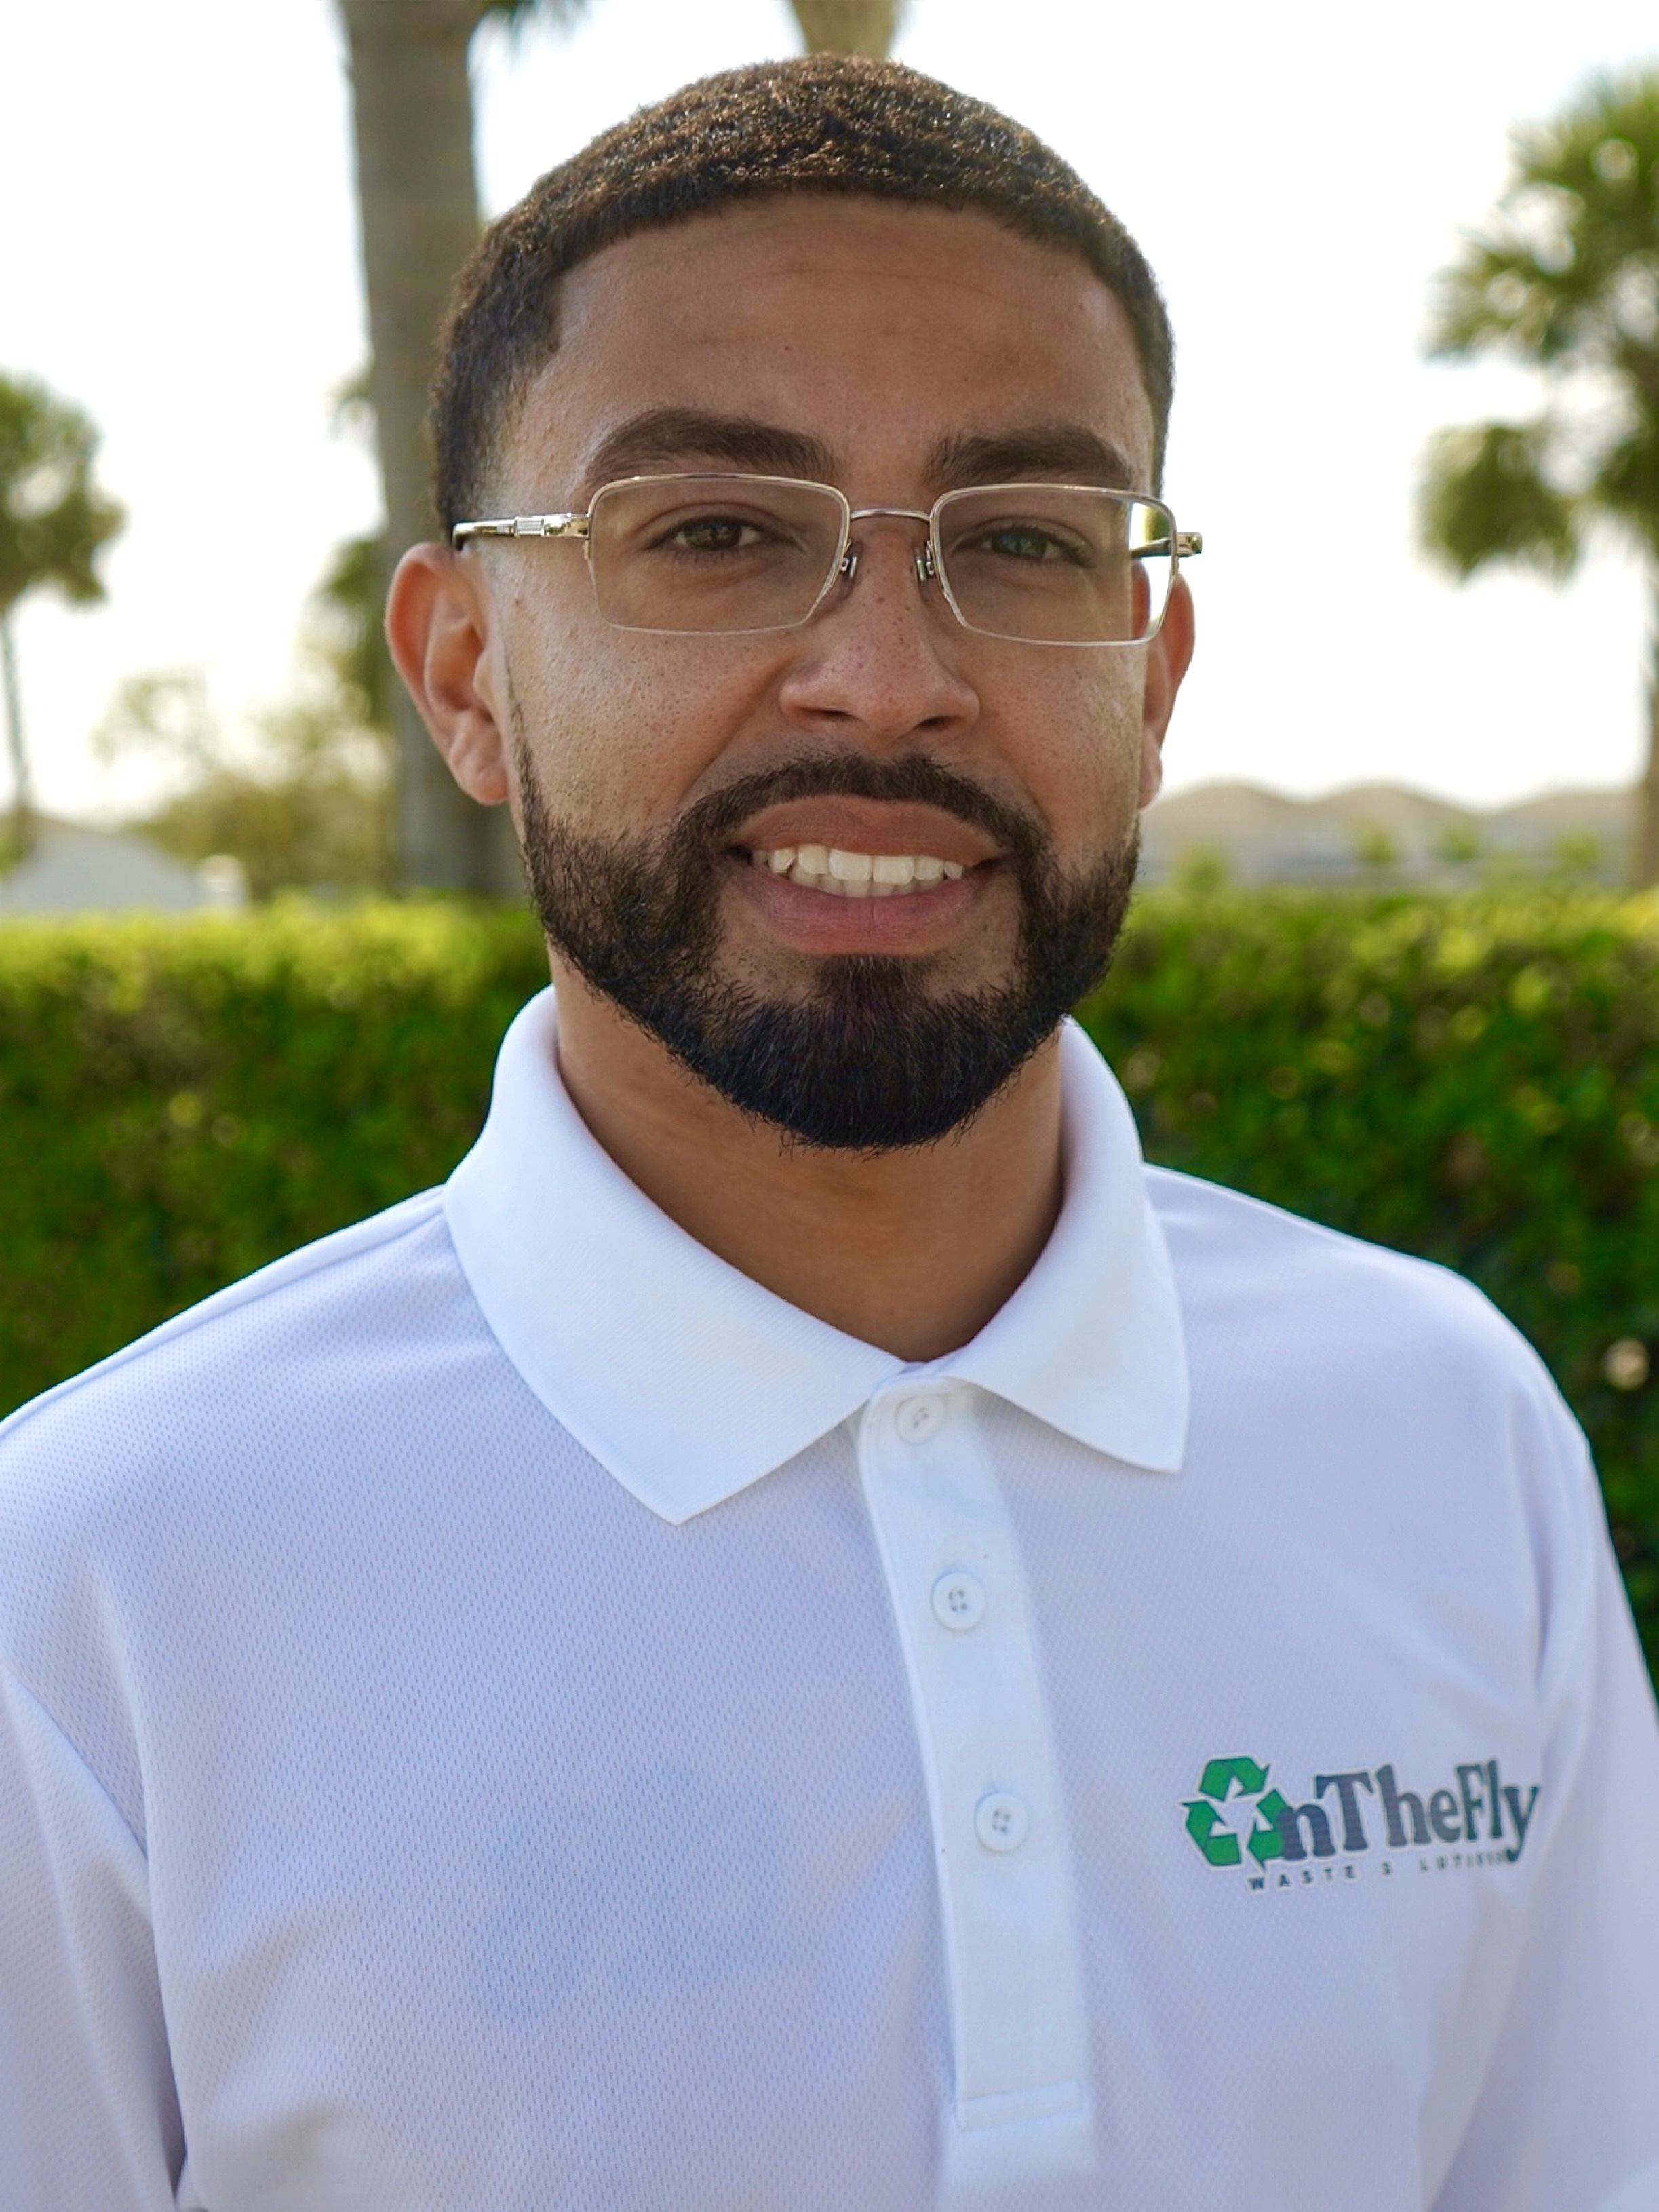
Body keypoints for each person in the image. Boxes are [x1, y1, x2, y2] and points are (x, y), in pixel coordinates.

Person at [2, 55, 1656, 2212]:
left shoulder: (1448, 1434)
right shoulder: (94, 1592)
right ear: (467, 672)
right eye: (715, 533)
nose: (886, 678)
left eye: (1027, 542)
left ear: (1154, 679)